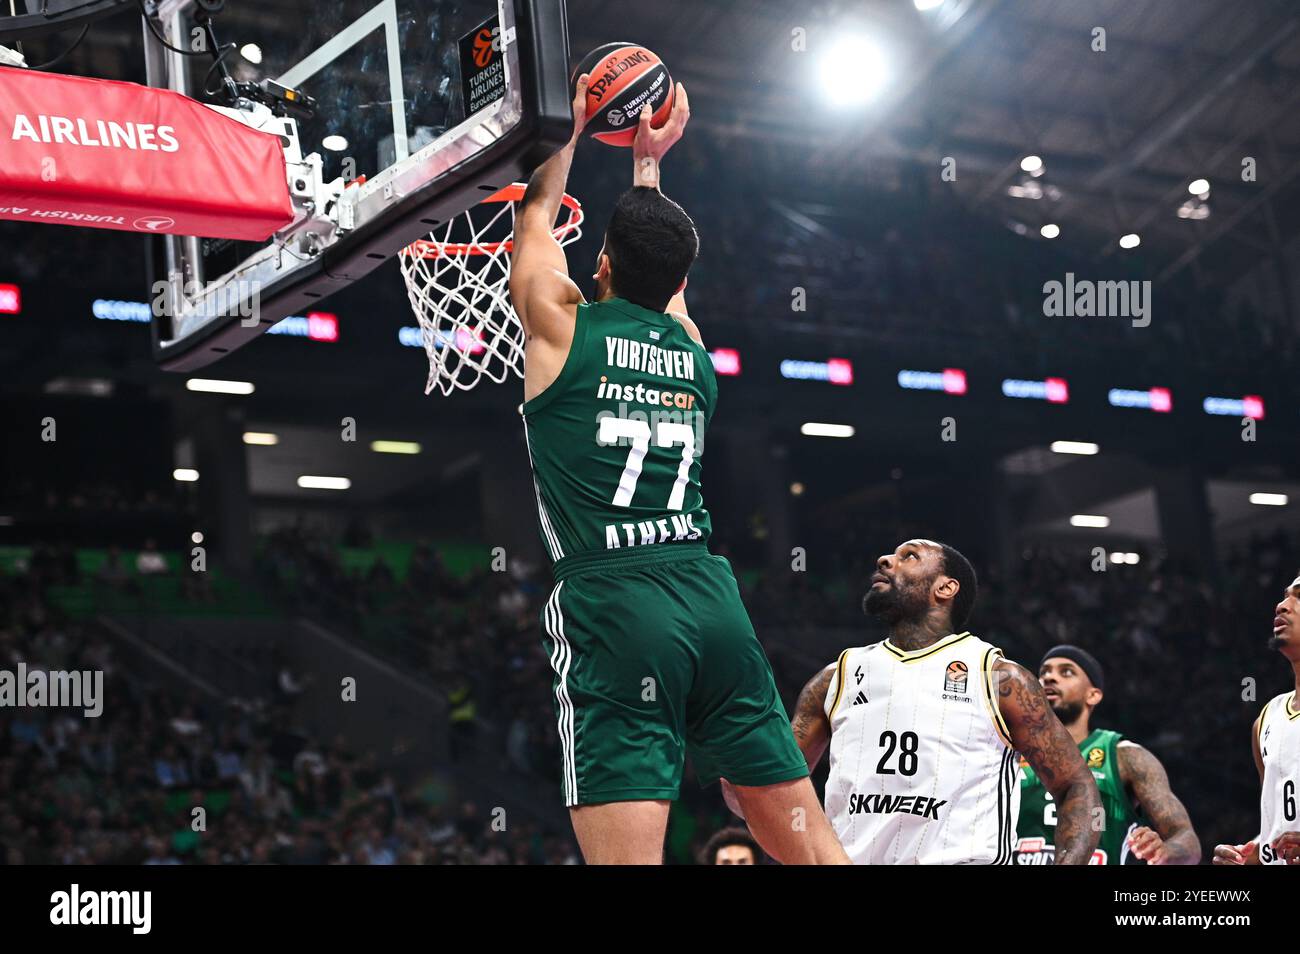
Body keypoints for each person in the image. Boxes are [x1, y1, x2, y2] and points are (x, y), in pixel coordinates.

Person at [508, 74, 847, 865]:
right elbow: (663, 272)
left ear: (600, 262)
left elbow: (533, 217)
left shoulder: (562, 331)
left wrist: (574, 128)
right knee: (817, 851)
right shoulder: (692, 354)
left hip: (616, 603)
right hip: (711, 601)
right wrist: (644, 161)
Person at [770, 539, 1101, 864]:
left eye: (909, 556)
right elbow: (774, 788)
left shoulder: (999, 678)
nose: (885, 560)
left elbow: (1076, 786)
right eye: (890, 555)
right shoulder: (835, 678)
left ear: (946, 588)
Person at [1015, 645, 1200, 864]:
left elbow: (1188, 841)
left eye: (1066, 672)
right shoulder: (1011, 754)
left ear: (1093, 695)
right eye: (1044, 672)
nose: (1049, 678)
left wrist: (1164, 851)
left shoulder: (1124, 757)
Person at [1213, 572, 1300, 865]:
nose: (1282, 605)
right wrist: (1244, 855)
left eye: (1299, 597)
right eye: (1285, 594)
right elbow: (1277, 831)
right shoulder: (1267, 718)